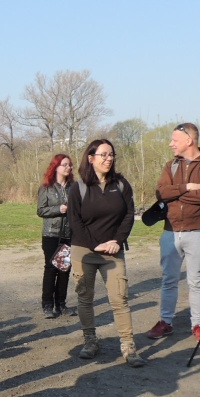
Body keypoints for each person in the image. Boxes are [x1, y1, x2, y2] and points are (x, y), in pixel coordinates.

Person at [68, 139, 145, 367]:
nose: (108, 159)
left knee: (119, 298)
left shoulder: (121, 185)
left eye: (111, 154)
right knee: (85, 297)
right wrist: (94, 245)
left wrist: (117, 241)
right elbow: (75, 221)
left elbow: (129, 215)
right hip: (84, 250)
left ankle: (128, 346)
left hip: (113, 251)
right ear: (91, 158)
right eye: (103, 155)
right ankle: (90, 341)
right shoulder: (78, 187)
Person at [145, 123, 200, 344]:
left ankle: (197, 325)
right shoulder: (170, 165)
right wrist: (187, 187)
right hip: (170, 230)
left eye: (175, 140)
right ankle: (165, 322)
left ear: (189, 140)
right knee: (169, 279)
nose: (171, 143)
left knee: (196, 280)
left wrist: (175, 194)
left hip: (199, 230)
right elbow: (161, 192)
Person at [36, 154, 75, 319]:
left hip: (68, 234)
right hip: (51, 234)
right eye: (64, 164)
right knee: (51, 269)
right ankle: (47, 304)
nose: (68, 167)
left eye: (70, 165)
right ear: (56, 167)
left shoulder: (74, 187)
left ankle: (61, 304)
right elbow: (41, 210)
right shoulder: (47, 187)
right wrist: (58, 209)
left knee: (64, 269)